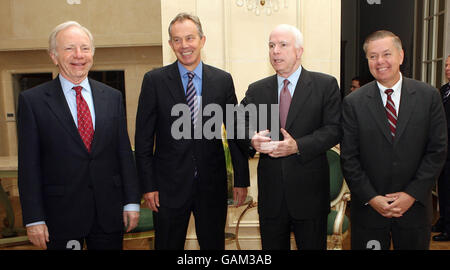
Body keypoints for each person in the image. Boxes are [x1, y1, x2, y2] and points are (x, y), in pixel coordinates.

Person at [17, 21, 141, 250]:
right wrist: (34, 218)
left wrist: (132, 201)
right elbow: (28, 166)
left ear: (92, 54)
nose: (78, 55)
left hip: (108, 214)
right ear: (54, 56)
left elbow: (123, 152)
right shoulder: (32, 102)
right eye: (69, 48)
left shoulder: (112, 97)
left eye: (85, 48)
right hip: (60, 217)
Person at [134, 13, 249, 250]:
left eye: (189, 38)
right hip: (167, 188)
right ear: (170, 45)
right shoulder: (154, 81)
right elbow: (143, 139)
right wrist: (148, 185)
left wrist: (241, 179)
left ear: (202, 40)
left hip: (212, 186)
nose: (184, 45)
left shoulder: (222, 80)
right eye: (177, 40)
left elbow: (235, 131)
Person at [340, 30, 447, 250]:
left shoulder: (428, 96)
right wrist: (372, 198)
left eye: (386, 54)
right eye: (372, 56)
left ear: (401, 56)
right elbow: (349, 158)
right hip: (369, 213)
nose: (380, 61)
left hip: (414, 211)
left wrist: (411, 195)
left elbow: (437, 151)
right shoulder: (353, 102)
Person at [240, 24, 341, 250]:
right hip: (272, 198)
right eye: (271, 46)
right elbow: (239, 121)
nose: (275, 51)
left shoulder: (325, 85)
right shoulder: (257, 90)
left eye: (283, 45)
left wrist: (298, 146)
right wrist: (251, 139)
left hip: (310, 195)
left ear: (299, 51)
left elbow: (334, 129)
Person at [433, 54, 450, 242]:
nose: (447, 69)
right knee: (443, 189)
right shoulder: (444, 90)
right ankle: (443, 221)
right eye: (446, 65)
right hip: (443, 149)